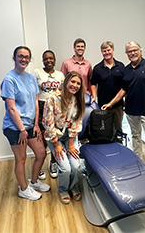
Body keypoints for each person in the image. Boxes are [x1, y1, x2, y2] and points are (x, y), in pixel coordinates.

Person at [102, 41, 145, 178]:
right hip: (131, 111)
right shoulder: (126, 70)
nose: (132, 53)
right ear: (126, 54)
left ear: (140, 50)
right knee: (136, 138)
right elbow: (123, 90)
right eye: (129, 52)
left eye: (134, 50)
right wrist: (110, 103)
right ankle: (139, 167)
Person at [0, 46, 50, 201]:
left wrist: (36, 124)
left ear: (30, 59)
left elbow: (35, 102)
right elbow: (11, 107)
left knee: (41, 153)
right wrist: (22, 129)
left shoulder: (30, 78)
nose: (23, 59)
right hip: (15, 128)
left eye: (27, 57)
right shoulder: (9, 79)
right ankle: (24, 189)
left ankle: (34, 182)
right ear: (14, 57)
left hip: (30, 125)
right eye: (20, 56)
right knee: (21, 159)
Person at [43, 71, 85, 204]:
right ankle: (63, 189)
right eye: (73, 81)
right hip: (54, 136)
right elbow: (47, 123)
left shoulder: (76, 99)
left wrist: (71, 143)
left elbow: (77, 122)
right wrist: (56, 144)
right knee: (65, 168)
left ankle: (73, 187)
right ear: (66, 81)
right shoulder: (52, 99)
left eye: (78, 83)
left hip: (70, 135)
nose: (75, 85)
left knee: (76, 166)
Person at [34, 50, 64, 179]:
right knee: (41, 138)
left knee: (54, 136)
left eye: (51, 58)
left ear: (55, 60)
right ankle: (39, 165)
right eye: (46, 59)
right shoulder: (37, 73)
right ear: (43, 60)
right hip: (41, 107)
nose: (48, 61)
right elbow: (34, 94)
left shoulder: (60, 75)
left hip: (56, 108)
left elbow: (62, 93)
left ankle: (53, 163)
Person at [90, 41, 125, 135]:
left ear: (113, 50)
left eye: (108, 50)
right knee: (105, 130)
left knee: (118, 129)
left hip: (118, 105)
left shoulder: (121, 66)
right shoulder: (97, 68)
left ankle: (118, 146)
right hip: (103, 105)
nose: (107, 53)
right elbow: (93, 84)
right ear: (102, 52)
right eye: (104, 51)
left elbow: (125, 86)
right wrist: (94, 96)